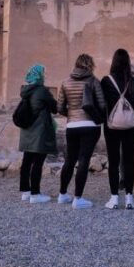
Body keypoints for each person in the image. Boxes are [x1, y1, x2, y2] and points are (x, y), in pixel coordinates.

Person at [56, 53, 106, 209]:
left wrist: (71, 115)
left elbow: (59, 108)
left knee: (69, 160)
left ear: (76, 65)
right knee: (84, 160)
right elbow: (102, 105)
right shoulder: (93, 81)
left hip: (71, 126)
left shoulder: (65, 83)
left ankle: (62, 195)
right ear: (90, 65)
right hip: (90, 126)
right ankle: (78, 199)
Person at [101, 49, 134, 210]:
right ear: (128, 63)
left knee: (113, 162)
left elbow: (101, 103)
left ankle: (114, 198)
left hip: (112, 125)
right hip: (130, 125)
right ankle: (129, 198)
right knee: (129, 161)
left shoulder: (106, 81)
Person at [17, 64, 58, 204]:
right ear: (39, 75)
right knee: (38, 163)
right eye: (43, 73)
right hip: (39, 132)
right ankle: (35, 194)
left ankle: (25, 192)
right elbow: (55, 108)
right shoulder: (42, 91)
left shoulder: (25, 90)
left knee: (27, 161)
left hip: (27, 132)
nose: (44, 75)